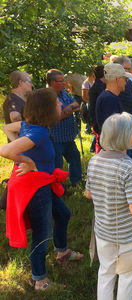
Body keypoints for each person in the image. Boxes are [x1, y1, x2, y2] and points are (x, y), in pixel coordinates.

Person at [0, 88, 83, 291]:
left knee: (63, 214)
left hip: (43, 182)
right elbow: (5, 150)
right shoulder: (36, 131)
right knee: (42, 233)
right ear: (46, 108)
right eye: (56, 102)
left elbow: (7, 129)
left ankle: (62, 252)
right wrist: (26, 160)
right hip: (36, 188)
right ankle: (40, 280)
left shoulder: (29, 124)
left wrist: (27, 155)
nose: (60, 105)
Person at [86, 112, 132, 300]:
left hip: (103, 231)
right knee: (127, 275)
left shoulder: (94, 160)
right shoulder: (128, 167)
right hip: (128, 234)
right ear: (126, 137)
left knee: (105, 271)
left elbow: (89, 193)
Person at [47, 69, 82, 186]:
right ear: (52, 82)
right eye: (61, 81)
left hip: (68, 136)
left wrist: (68, 108)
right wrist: (69, 110)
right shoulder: (48, 95)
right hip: (55, 137)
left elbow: (77, 104)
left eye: (64, 81)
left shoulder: (64, 93)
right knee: (57, 164)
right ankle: (58, 187)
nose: (64, 83)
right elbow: (54, 117)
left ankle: (76, 183)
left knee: (75, 158)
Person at [95, 63, 131, 135]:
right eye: (125, 79)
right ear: (118, 79)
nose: (126, 83)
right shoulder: (109, 99)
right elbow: (114, 130)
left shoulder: (110, 97)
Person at [89, 65, 106, 153]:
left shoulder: (99, 86)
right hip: (99, 121)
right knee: (101, 143)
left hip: (96, 120)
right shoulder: (99, 88)